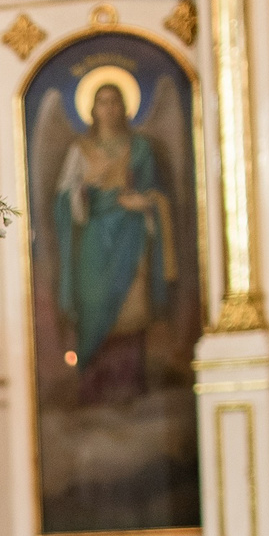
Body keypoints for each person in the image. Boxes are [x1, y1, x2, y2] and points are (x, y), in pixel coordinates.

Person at [54, 80, 178, 406]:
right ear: (91, 110)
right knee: (94, 305)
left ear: (125, 107)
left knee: (131, 309)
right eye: (102, 102)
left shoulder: (140, 149)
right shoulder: (79, 151)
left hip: (131, 236)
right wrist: (82, 193)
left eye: (114, 101)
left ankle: (129, 388)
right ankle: (93, 388)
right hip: (93, 241)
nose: (108, 108)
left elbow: (153, 192)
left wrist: (144, 202)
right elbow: (65, 202)